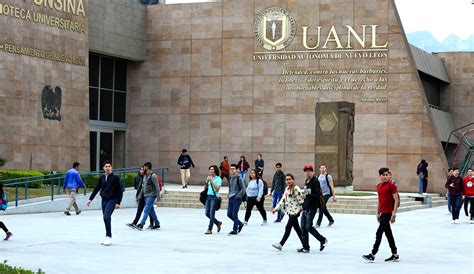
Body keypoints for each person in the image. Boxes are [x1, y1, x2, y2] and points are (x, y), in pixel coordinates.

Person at [362, 167, 400, 262]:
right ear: (380, 176)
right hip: (382, 213)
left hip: (388, 213)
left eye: (387, 175)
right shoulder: (378, 186)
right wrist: (377, 212)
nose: (385, 176)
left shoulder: (392, 186)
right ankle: (395, 254)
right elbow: (380, 200)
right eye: (383, 175)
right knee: (388, 234)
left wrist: (394, 214)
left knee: (379, 232)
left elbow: (396, 200)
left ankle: (373, 254)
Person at [87, 161, 123, 246]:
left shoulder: (115, 178)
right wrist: (90, 199)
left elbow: (120, 190)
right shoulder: (102, 178)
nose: (107, 168)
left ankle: (109, 236)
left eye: (109, 166)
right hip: (104, 200)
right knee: (106, 218)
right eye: (106, 166)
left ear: (111, 168)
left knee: (106, 217)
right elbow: (96, 188)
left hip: (112, 200)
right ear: (103, 168)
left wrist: (118, 202)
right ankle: (107, 236)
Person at [298, 164, 327, 253]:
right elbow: (307, 195)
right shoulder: (306, 181)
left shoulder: (315, 181)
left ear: (312, 172)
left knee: (308, 227)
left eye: (309, 171)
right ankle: (306, 247)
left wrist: (307, 195)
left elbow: (317, 195)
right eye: (305, 171)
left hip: (312, 207)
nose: (307, 172)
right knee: (303, 228)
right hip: (306, 207)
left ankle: (322, 240)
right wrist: (303, 205)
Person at [271, 173, 304, 251]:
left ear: (293, 180)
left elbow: (301, 201)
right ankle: (305, 244)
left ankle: (281, 244)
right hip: (290, 212)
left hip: (295, 212)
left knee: (288, 227)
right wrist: (276, 209)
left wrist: (303, 209)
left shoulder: (296, 189)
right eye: (287, 179)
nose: (288, 181)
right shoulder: (287, 189)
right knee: (298, 229)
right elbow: (283, 200)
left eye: (290, 179)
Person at [135, 162, 161, 230]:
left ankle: (141, 224)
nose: (143, 168)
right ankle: (157, 223)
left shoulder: (153, 175)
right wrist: (140, 195)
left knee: (146, 210)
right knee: (151, 211)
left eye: (144, 167)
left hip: (152, 195)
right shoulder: (145, 176)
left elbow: (157, 186)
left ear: (147, 167)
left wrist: (158, 196)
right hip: (146, 195)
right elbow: (143, 187)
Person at [227, 164, 246, 235]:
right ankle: (240, 224)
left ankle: (235, 230)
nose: (231, 170)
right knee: (229, 214)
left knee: (234, 214)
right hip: (231, 198)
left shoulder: (239, 178)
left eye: (233, 169)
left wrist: (237, 196)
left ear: (237, 170)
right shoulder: (231, 178)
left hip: (237, 198)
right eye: (231, 169)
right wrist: (229, 194)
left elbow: (243, 190)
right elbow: (230, 188)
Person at [204, 165, 222, 234]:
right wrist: (206, 184)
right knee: (207, 213)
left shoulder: (218, 179)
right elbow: (206, 187)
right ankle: (217, 223)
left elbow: (217, 189)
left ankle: (210, 229)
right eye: (210, 169)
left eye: (212, 169)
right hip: (208, 197)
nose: (211, 170)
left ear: (215, 170)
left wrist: (211, 181)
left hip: (214, 197)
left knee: (212, 213)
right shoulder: (208, 177)